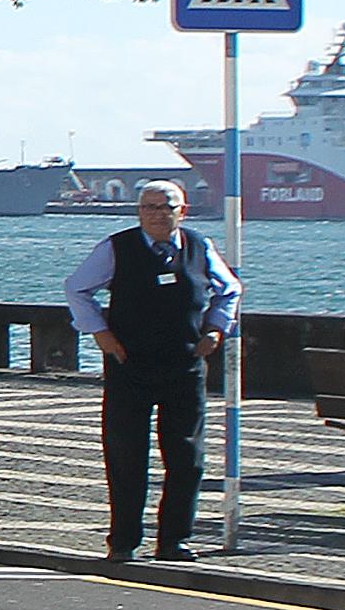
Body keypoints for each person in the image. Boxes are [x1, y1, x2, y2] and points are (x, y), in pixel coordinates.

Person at [61, 178, 237, 563]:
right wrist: (100, 333)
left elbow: (230, 290)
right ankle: (123, 542)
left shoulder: (200, 246)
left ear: (182, 211)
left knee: (187, 457)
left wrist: (216, 329)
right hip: (130, 365)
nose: (158, 215)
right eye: (149, 207)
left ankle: (174, 540)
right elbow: (77, 288)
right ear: (139, 212)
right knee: (126, 455)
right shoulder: (116, 248)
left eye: (166, 207)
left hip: (184, 365)